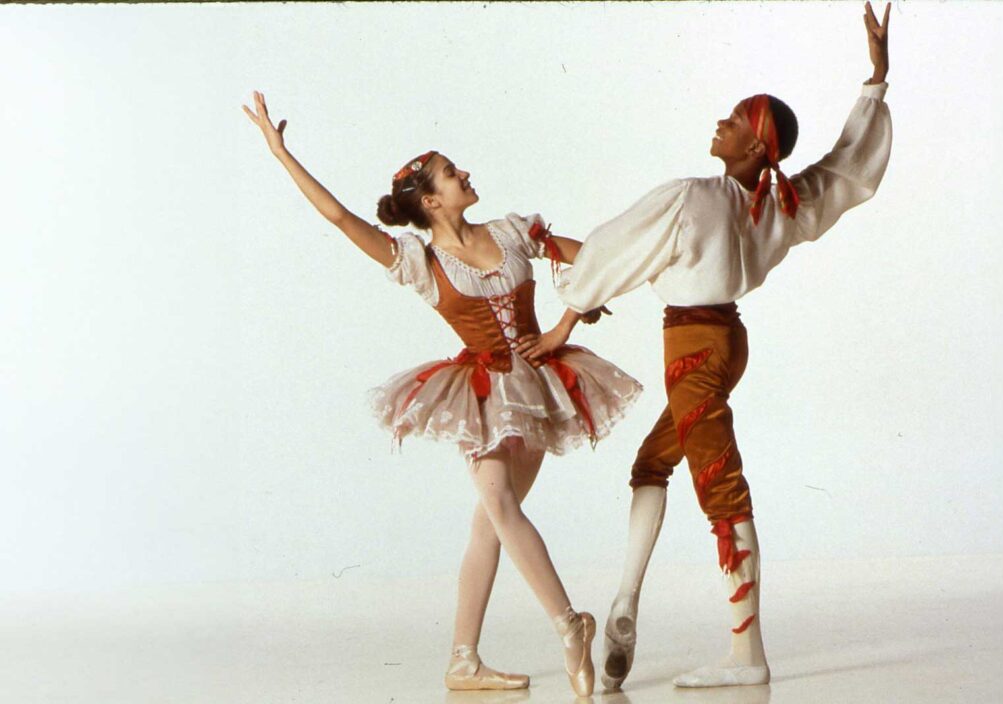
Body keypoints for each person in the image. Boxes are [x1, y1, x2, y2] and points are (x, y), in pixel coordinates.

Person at [517, 1, 893, 690]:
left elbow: (615, 252)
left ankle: (746, 656)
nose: (719, 123)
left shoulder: (694, 197)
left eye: (733, 119)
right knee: (651, 464)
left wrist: (566, 319)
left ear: (755, 148)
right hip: (722, 343)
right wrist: (875, 80)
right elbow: (845, 172)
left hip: (692, 349)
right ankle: (626, 597)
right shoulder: (781, 204)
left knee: (721, 492)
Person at [242, 92, 643, 697]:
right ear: (431, 201)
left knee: (491, 523)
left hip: (539, 388)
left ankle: (464, 661)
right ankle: (568, 626)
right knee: (500, 507)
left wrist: (566, 322)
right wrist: (281, 153)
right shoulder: (419, 261)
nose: (466, 175)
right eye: (454, 174)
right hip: (481, 395)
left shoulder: (512, 232)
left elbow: (593, 262)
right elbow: (341, 219)